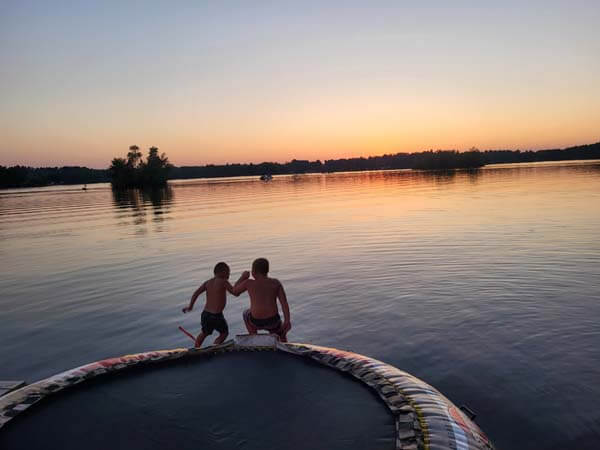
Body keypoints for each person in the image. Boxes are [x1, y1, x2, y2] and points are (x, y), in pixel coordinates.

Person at [182, 262, 244, 347]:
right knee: (224, 334)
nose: (229, 274)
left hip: (205, 314)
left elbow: (196, 293)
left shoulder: (208, 282)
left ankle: (196, 348)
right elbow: (235, 292)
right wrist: (242, 278)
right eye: (228, 272)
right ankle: (215, 347)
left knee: (204, 333)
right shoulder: (223, 281)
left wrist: (190, 306)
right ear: (221, 272)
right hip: (216, 316)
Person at [233, 257, 291, 342]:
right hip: (273, 322)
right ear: (267, 271)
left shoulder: (248, 283)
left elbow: (235, 292)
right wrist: (287, 321)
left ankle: (254, 337)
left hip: (255, 321)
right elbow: (284, 304)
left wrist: (242, 277)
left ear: (253, 272)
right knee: (280, 333)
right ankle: (283, 341)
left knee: (246, 313)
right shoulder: (276, 283)